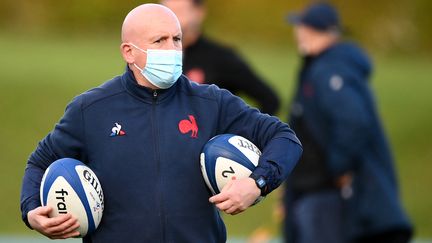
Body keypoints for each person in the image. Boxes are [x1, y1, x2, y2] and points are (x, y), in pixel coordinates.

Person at [20, 4, 303, 243]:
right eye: (160, 41)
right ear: (129, 52)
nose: (172, 49)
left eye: (176, 40)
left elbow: (284, 137)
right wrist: (32, 209)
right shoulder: (90, 109)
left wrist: (258, 182)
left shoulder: (211, 102)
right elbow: (41, 161)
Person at [282, 2, 413, 243]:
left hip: (326, 195)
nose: (300, 33)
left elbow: (353, 121)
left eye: (307, 28)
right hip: (317, 192)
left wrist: (339, 167)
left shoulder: (330, 69)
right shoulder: (323, 66)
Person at [161, 0, 280, 115]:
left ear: (199, 12)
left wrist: (238, 132)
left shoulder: (221, 58)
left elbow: (270, 101)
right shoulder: (153, 57)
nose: (172, 20)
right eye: (166, 12)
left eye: (179, 11)